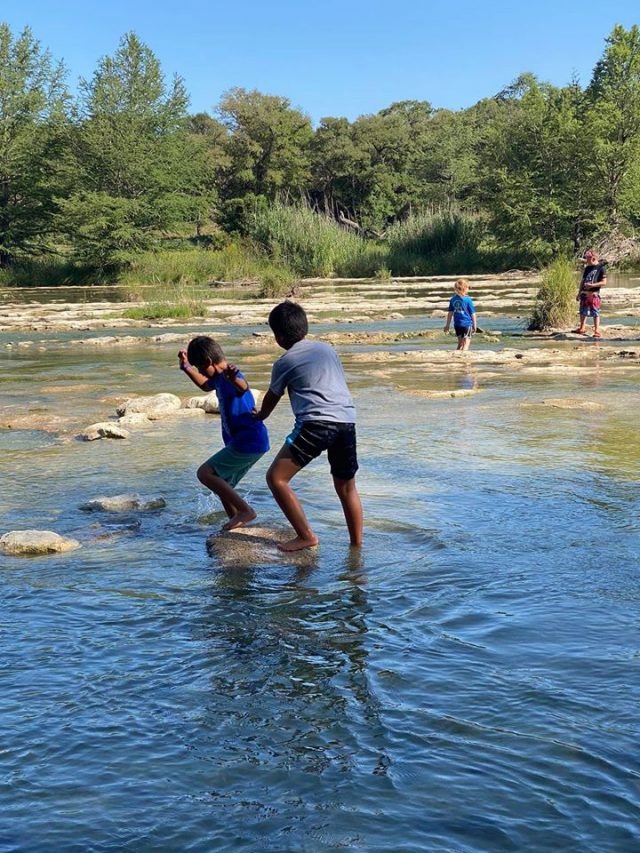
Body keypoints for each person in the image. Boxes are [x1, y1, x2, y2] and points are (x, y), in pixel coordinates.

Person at [253, 302, 363, 553]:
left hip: (316, 424)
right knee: (347, 487)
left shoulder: (284, 362)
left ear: (278, 336)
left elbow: (273, 395)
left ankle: (306, 536)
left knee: (276, 478)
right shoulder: (327, 350)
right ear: (305, 326)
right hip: (346, 421)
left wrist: (260, 416)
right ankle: (357, 546)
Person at [178, 336, 269, 530]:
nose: (202, 372)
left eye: (202, 368)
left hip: (248, 441)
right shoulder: (218, 378)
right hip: (246, 442)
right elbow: (204, 385)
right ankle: (237, 521)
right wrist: (186, 367)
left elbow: (243, 387)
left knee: (204, 473)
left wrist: (234, 377)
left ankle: (246, 511)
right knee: (222, 485)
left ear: (210, 361)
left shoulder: (230, 376)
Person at [573, 249, 607, 338]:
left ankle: (596, 331)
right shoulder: (587, 268)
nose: (586, 260)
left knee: (595, 312)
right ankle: (582, 328)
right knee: (582, 311)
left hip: (594, 294)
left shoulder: (601, 268)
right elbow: (582, 281)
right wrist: (579, 293)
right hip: (584, 293)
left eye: (587, 258)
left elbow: (604, 282)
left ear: (593, 258)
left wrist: (592, 285)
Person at [444, 279, 477, 350]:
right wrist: (475, 325)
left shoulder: (453, 299)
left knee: (460, 344)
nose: (468, 289)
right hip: (467, 324)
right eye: (468, 288)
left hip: (457, 325)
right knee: (466, 344)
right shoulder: (468, 299)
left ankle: (457, 357)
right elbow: (472, 314)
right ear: (464, 288)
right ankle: (464, 359)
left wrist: (447, 325)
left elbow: (450, 313)